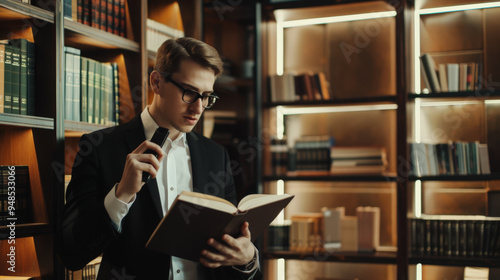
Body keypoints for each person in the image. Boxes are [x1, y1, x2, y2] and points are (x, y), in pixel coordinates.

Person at [58, 37, 262, 280]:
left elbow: (226, 251)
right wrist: (121, 194)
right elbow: (72, 254)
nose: (198, 108)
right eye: (189, 92)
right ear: (156, 82)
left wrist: (247, 258)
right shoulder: (98, 148)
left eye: (207, 96)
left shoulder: (216, 155)